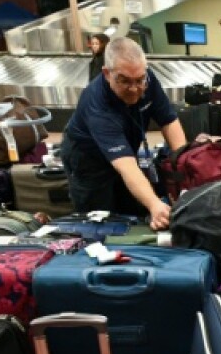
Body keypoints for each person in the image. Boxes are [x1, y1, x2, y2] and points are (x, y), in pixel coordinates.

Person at [62, 38, 187, 230]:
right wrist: (155, 205)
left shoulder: (148, 79)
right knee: (99, 220)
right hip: (89, 160)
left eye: (139, 80)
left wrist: (185, 163)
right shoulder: (96, 103)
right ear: (106, 73)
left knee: (132, 209)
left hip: (125, 150)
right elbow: (126, 166)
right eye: (125, 81)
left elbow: (168, 121)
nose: (135, 88)